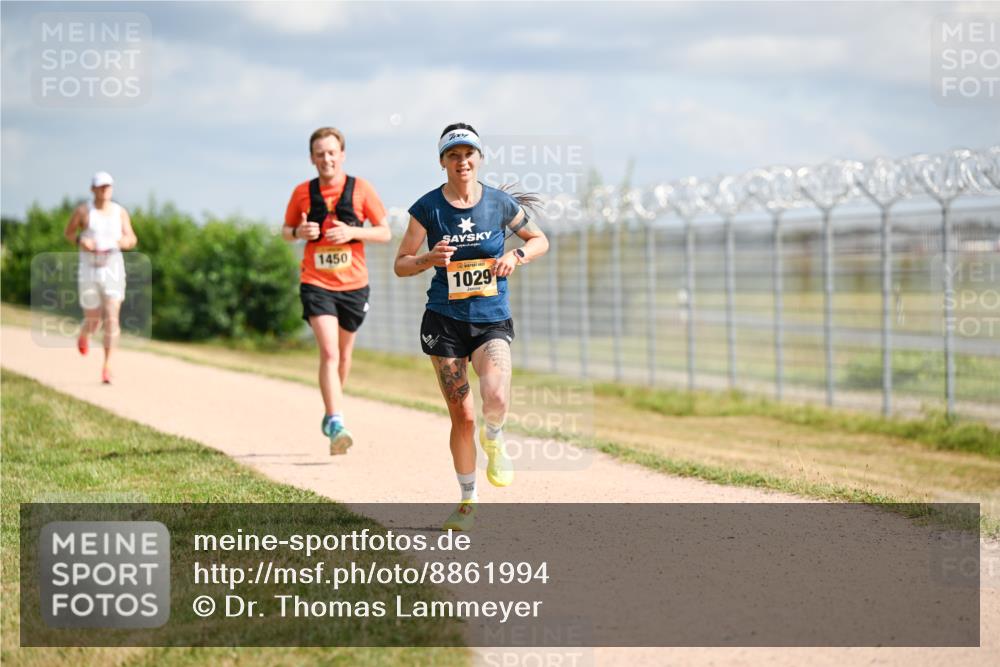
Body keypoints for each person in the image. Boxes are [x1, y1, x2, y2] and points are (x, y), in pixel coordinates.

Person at [395, 123, 549, 530]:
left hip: (490, 320)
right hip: (444, 321)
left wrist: (516, 257)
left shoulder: (499, 204)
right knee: (462, 415)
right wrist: (430, 259)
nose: (462, 161)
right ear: (442, 162)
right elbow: (401, 264)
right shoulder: (427, 208)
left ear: (479, 159)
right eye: (453, 155)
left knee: (495, 395)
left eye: (468, 154)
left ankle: (494, 437)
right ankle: (467, 500)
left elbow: (539, 240)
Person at [284, 127, 391, 455]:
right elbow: (286, 231)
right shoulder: (302, 192)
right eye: (320, 153)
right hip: (316, 283)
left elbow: (385, 232)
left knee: (344, 356)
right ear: (312, 158)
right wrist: (299, 231)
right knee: (329, 353)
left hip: (354, 285)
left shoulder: (361, 189)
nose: (326, 159)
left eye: (332, 152)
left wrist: (352, 231)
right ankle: (336, 420)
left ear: (342, 155)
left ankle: (332, 410)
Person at [63, 171, 138, 384]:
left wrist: (124, 243)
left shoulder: (119, 212)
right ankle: (85, 334)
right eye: (101, 186)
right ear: (93, 189)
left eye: (108, 186)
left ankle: (107, 366)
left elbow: (131, 238)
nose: (105, 190)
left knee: (112, 318)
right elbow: (68, 233)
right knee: (94, 319)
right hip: (88, 270)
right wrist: (80, 241)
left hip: (112, 269)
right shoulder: (83, 211)